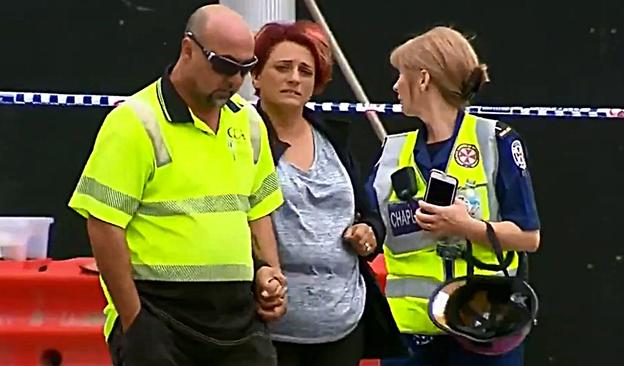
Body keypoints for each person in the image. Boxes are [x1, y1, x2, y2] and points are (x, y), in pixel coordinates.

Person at [68, 5, 287, 366]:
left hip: (238, 318)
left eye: (246, 69)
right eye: (224, 65)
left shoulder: (249, 122)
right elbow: (104, 225)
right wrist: (134, 320)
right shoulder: (134, 121)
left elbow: (259, 209)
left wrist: (269, 272)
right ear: (188, 50)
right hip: (159, 313)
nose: (235, 80)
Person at [365, 26, 541, 366]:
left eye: (401, 75)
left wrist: (466, 226)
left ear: (423, 79)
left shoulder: (496, 142)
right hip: (409, 332)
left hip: (484, 324)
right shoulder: (392, 152)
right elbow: (369, 223)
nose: (395, 86)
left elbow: (529, 237)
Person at [250, 20, 406, 366]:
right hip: (268, 329)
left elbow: (370, 214)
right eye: (283, 67)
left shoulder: (333, 139)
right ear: (256, 77)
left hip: (343, 326)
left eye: (305, 71)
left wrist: (369, 232)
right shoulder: (241, 138)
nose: (295, 78)